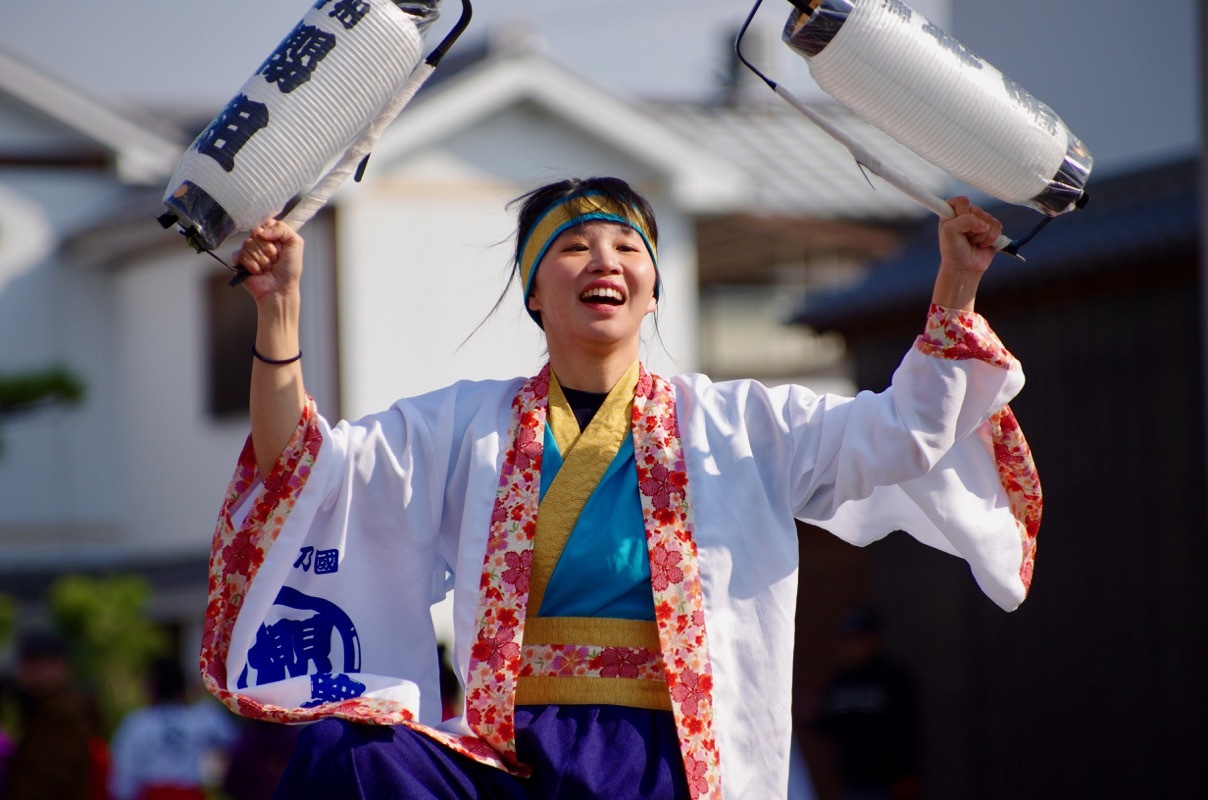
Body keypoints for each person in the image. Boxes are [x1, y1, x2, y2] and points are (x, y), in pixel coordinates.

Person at [199, 176, 1040, 799]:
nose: (604, 260)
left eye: (627, 247)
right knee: (350, 756)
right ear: (534, 290)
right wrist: (278, 314)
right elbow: (307, 474)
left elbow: (899, 435)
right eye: (573, 246)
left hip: (672, 755)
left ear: (652, 289)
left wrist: (958, 283)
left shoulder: (740, 422)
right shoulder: (464, 425)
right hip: (509, 749)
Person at [813, 607, 919, 800]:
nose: (854, 646)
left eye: (860, 639)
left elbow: (909, 729)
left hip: (887, 782)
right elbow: (826, 721)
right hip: (850, 781)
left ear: (875, 639)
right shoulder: (840, 681)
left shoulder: (892, 678)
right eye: (848, 640)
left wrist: (907, 776)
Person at [107, 657, 237, 800]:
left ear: (153, 687)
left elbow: (125, 774)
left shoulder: (137, 723)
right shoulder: (201, 718)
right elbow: (234, 740)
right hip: (190, 795)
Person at [3, 633, 94, 800]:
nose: (33, 671)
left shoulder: (65, 714)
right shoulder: (41, 708)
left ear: (63, 667)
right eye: (28, 663)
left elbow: (48, 781)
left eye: (42, 664)